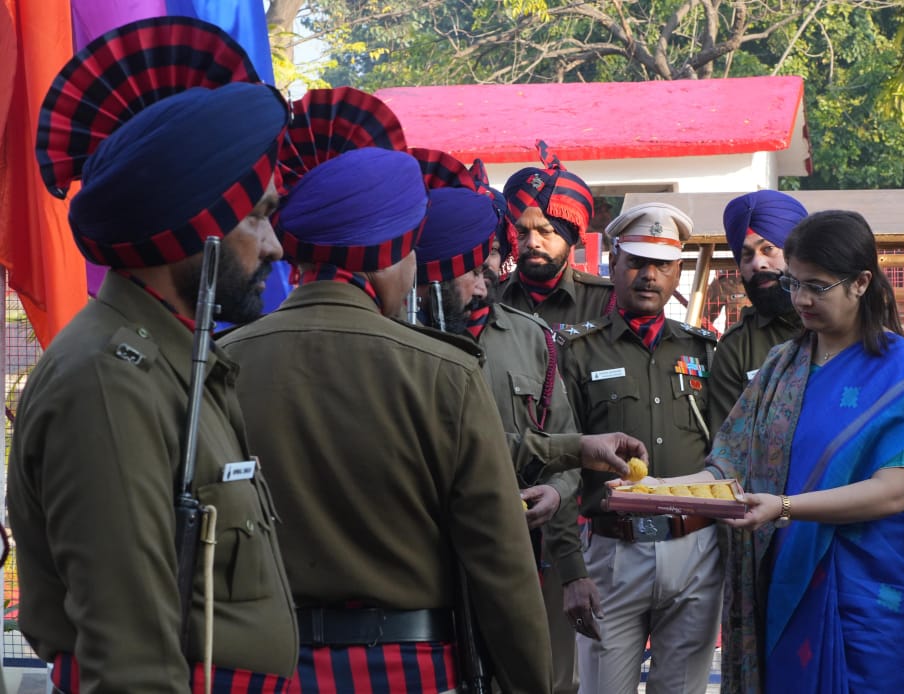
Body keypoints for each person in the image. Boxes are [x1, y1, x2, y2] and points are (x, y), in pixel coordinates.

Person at [219, 88, 552, 693]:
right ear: (385, 254)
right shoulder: (444, 372)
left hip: (260, 671)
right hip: (409, 671)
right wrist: (532, 680)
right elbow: (500, 564)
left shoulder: (224, 362)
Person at [8, 17, 299, 692]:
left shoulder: (175, 362)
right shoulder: (110, 383)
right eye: (257, 216)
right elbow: (132, 663)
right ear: (197, 228)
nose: (276, 247)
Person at [681, 210, 904, 692]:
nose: (802, 299)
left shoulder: (900, 372)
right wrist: (658, 488)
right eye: (794, 283)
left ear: (860, 283)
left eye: (818, 286)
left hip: (873, 593)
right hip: (789, 580)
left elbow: (893, 493)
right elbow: (731, 457)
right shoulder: (781, 365)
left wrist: (785, 508)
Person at [411, 155, 650, 689]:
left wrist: (566, 544)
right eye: (519, 233)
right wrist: (574, 450)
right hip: (422, 557)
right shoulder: (397, 339)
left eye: (490, 258)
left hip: (529, 550)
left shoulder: (529, 335)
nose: (489, 272)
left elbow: (550, 444)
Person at [557, 202, 721, 694]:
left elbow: (726, 453)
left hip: (694, 548)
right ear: (613, 259)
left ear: (678, 271)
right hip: (611, 553)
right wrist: (571, 571)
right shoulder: (575, 351)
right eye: (636, 261)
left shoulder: (704, 350)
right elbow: (559, 463)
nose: (648, 275)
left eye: (662, 265)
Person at [709, 190, 808, 434]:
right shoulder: (737, 347)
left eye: (768, 250)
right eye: (746, 255)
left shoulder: (842, 325)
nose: (758, 264)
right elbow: (728, 446)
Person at [500, 140, 615, 329]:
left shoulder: (604, 301)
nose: (532, 243)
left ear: (569, 235)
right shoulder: (490, 296)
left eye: (545, 231)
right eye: (521, 232)